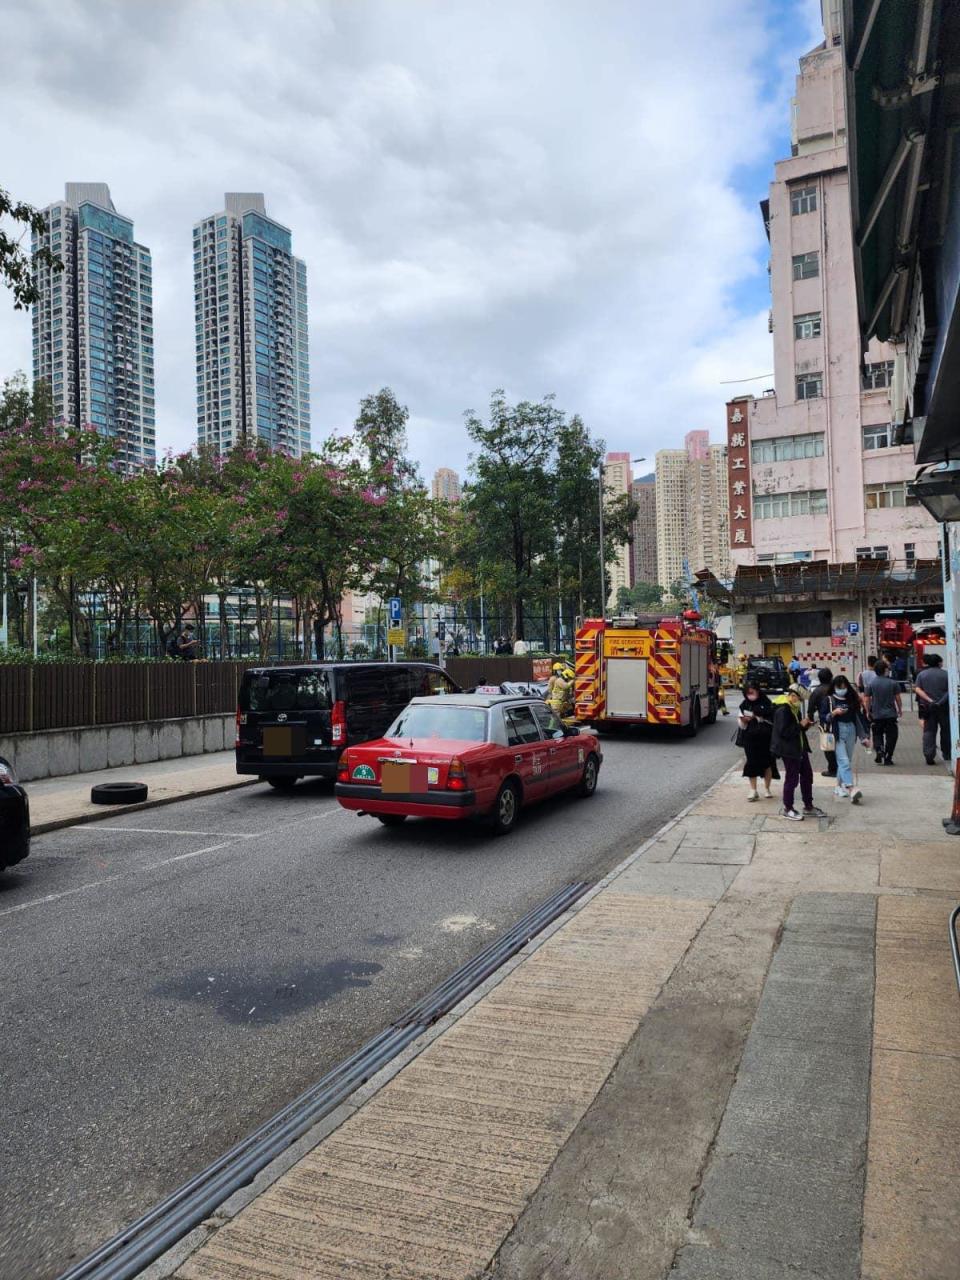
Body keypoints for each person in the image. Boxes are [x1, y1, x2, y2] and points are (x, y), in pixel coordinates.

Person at [770, 684, 825, 821]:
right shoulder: (783, 710)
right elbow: (784, 732)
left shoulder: (794, 708)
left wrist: (805, 725)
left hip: (799, 748)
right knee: (792, 779)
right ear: (793, 695)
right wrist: (800, 725)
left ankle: (808, 806)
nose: (800, 702)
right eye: (800, 699)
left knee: (807, 776)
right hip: (789, 750)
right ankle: (788, 808)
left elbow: (798, 729)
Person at [825, 673, 870, 803]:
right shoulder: (829, 699)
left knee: (846, 761)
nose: (842, 689)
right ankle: (851, 788)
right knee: (843, 761)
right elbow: (824, 718)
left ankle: (838, 786)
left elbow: (858, 719)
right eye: (839, 687)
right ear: (834, 687)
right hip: (837, 732)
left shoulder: (852, 699)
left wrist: (863, 737)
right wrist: (834, 713)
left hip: (851, 730)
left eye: (844, 686)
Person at [737, 682, 779, 802]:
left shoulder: (766, 703)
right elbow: (741, 724)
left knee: (767, 763)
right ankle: (753, 790)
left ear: (758, 691)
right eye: (748, 693)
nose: (750, 695)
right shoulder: (744, 704)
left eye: (752, 692)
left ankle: (767, 788)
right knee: (751, 762)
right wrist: (745, 720)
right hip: (750, 738)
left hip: (766, 737)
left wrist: (758, 716)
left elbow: (772, 717)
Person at [915, 652, 951, 766]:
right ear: (939, 663)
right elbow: (950, 691)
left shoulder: (922, 675)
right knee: (946, 731)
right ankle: (947, 753)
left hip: (928, 707)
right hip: (944, 707)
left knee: (929, 731)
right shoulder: (946, 674)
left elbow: (918, 689)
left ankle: (929, 755)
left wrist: (931, 701)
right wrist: (940, 702)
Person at [865, 658, 902, 765]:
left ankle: (879, 749)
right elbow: (898, 698)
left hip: (876, 715)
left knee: (877, 734)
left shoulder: (871, 684)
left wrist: (868, 711)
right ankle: (888, 756)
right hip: (891, 714)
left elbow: (867, 699)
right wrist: (899, 709)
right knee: (892, 736)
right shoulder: (893, 683)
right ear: (886, 670)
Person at [807, 667, 837, 778]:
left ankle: (833, 769)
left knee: (828, 746)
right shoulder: (836, 689)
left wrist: (810, 720)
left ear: (819, 678)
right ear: (831, 677)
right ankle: (841, 766)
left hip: (825, 723)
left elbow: (810, 709)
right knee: (839, 745)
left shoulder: (817, 691)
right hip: (839, 721)